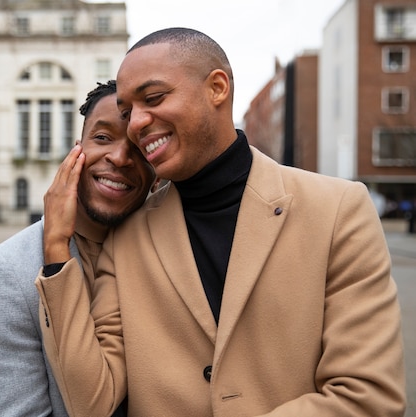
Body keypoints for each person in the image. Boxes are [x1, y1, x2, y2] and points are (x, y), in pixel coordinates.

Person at [36, 28, 406, 416]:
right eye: (128, 111)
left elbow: (368, 397)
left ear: (217, 88)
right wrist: (57, 251)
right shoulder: (126, 239)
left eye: (154, 98)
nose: (136, 124)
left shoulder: (338, 211)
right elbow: (91, 402)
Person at [0, 80, 156, 417]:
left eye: (138, 147)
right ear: (76, 151)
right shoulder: (4, 272)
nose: (120, 157)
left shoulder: (166, 253)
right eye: (102, 138)